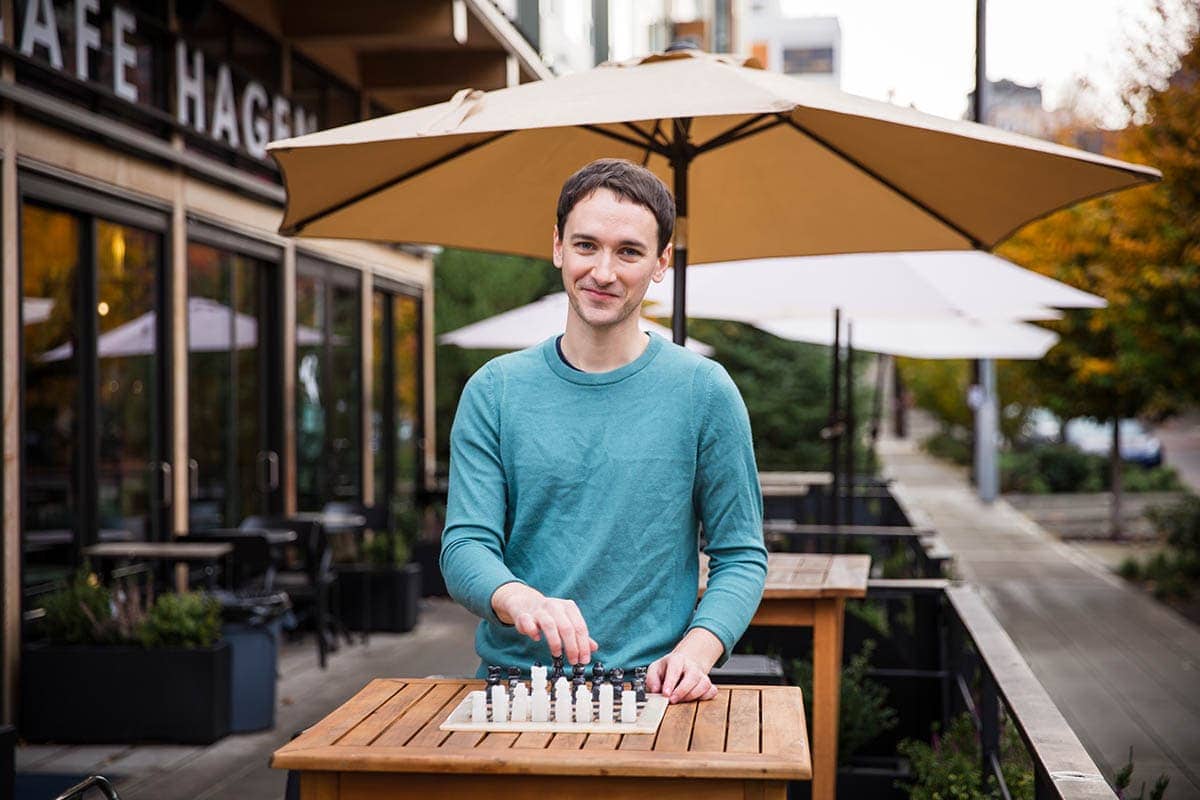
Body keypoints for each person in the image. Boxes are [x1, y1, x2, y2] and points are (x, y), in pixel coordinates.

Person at [441, 158, 767, 704]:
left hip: (656, 691)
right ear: (557, 247)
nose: (603, 272)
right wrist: (517, 597)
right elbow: (464, 546)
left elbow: (741, 553)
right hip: (517, 689)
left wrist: (698, 650)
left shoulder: (704, 391)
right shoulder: (494, 390)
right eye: (586, 245)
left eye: (629, 252)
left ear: (661, 261)